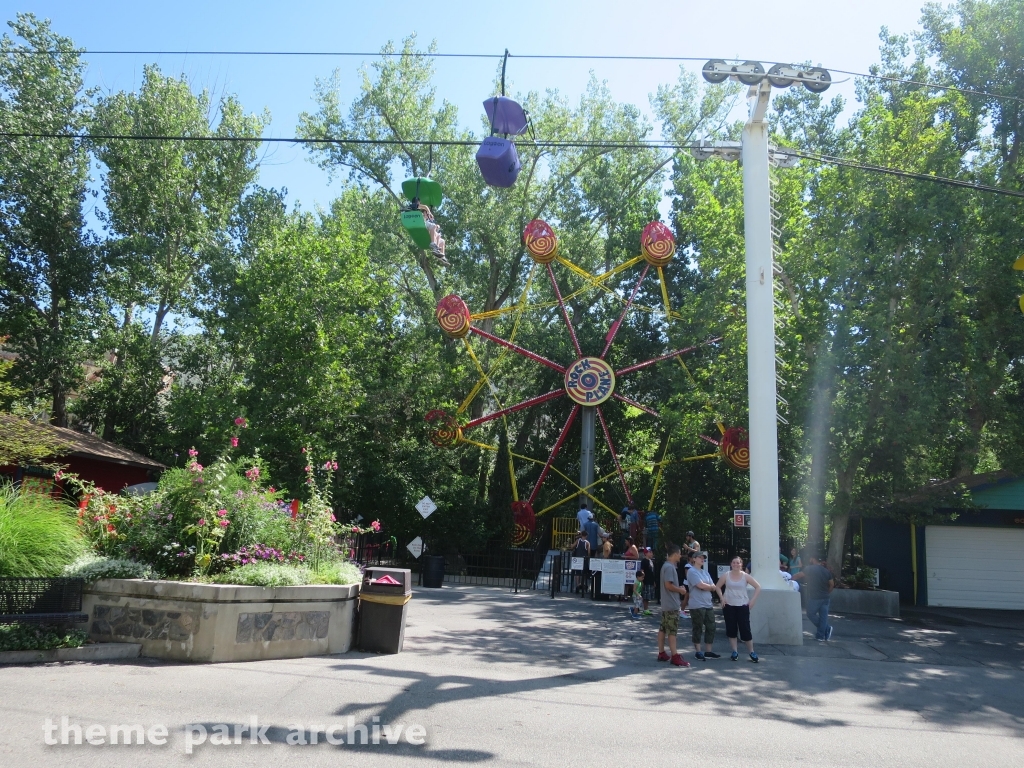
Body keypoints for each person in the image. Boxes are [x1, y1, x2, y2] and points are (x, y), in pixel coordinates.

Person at [717, 556, 761, 662]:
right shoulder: (726, 575)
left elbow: (758, 587)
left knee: (745, 629)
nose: (736, 565)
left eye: (738, 563)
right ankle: (735, 651)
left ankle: (751, 652)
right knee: (731, 629)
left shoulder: (745, 576)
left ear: (741, 564)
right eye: (734, 563)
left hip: (742, 605)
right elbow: (717, 586)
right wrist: (722, 598)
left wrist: (753, 600)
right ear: (731, 564)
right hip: (729, 605)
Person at [656, 544, 690, 667]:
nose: (680, 556)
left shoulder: (666, 566)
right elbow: (668, 585)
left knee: (663, 629)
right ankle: (675, 656)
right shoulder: (670, 567)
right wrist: (680, 590)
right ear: (675, 554)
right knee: (672, 631)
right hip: (672, 604)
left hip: (666, 604)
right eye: (680, 553)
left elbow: (668, 585)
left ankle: (661, 652)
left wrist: (678, 588)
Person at [686, 552, 722, 660]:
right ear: (694, 559)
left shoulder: (705, 573)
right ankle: (698, 651)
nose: (702, 559)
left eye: (703, 558)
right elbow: (700, 585)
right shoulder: (692, 571)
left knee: (711, 627)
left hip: (708, 604)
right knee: (698, 627)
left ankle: (708, 651)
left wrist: (709, 587)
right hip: (697, 605)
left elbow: (713, 586)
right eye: (700, 557)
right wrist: (709, 587)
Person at [794, 555, 834, 641]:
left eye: (810, 558)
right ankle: (821, 635)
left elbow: (799, 575)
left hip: (815, 597)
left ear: (813, 559)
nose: (809, 560)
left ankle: (826, 629)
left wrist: (790, 578)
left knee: (810, 614)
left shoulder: (810, 568)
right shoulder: (826, 571)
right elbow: (831, 584)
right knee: (823, 617)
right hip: (826, 597)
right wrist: (827, 592)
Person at [572, 530, 591, 596]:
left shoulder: (578, 541)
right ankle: (583, 584)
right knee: (584, 573)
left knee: (577, 573)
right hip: (584, 559)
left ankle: (577, 584)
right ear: (586, 536)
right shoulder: (587, 543)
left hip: (577, 559)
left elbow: (572, 546)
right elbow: (588, 552)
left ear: (581, 535)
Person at [639, 547, 655, 614]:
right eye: (649, 552)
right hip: (646, 581)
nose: (651, 553)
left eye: (651, 552)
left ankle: (647, 608)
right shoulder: (644, 561)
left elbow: (652, 572)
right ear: (645, 553)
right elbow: (642, 571)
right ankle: (645, 609)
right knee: (646, 596)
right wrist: (642, 581)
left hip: (651, 581)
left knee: (649, 597)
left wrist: (654, 582)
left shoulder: (651, 561)